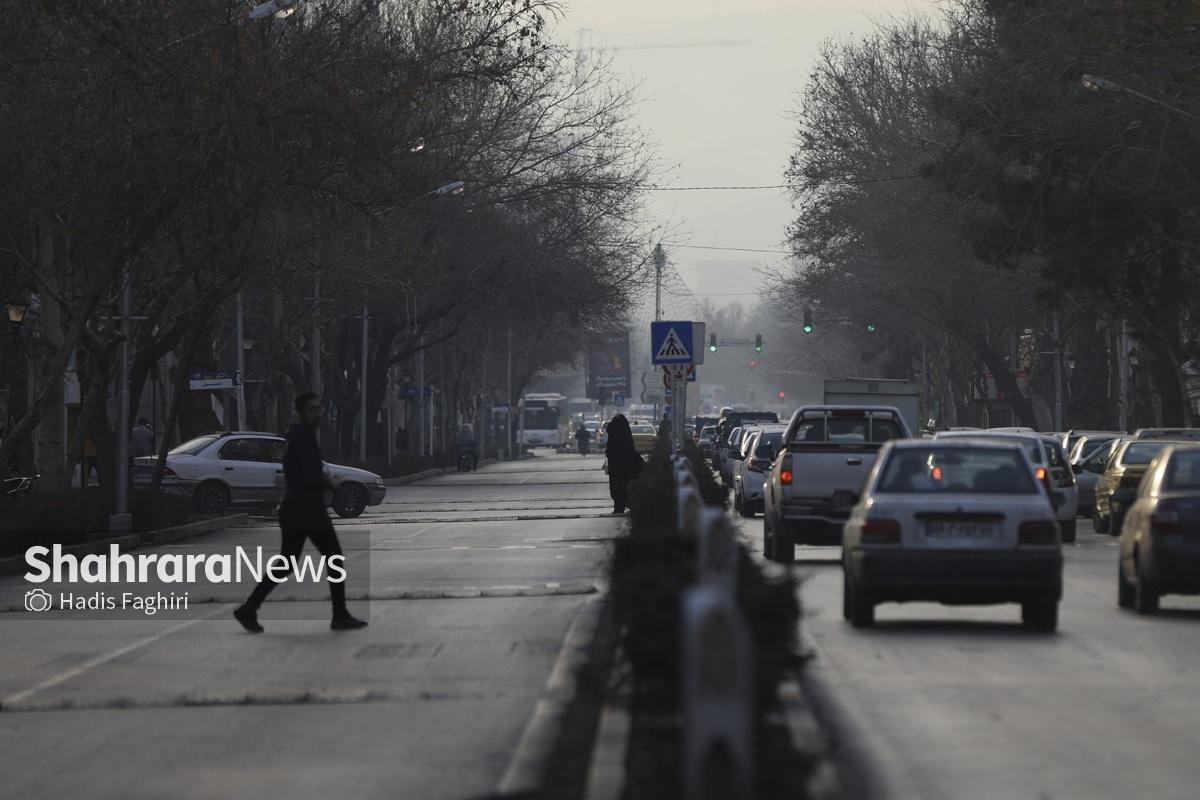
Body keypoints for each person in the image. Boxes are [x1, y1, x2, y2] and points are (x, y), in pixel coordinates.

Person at [234, 391, 366, 633]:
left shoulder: (301, 436)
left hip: (297, 508)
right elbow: (308, 474)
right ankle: (339, 615)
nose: (317, 414)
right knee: (332, 558)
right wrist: (330, 484)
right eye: (312, 409)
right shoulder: (302, 437)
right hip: (306, 509)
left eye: (319, 408)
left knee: (288, 562)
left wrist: (324, 481)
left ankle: (249, 608)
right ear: (301, 412)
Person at [604, 414, 643, 514]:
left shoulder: (613, 433)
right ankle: (627, 506)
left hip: (616, 466)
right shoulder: (624, 433)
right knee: (625, 485)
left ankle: (619, 507)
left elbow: (610, 450)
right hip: (626, 465)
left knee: (617, 487)